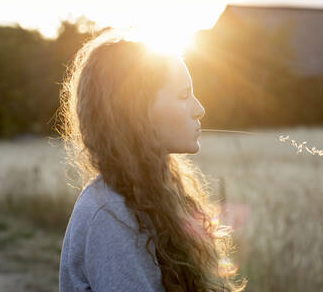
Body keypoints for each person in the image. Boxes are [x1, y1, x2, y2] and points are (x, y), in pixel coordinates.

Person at [57, 29, 247, 292]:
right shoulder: (111, 216)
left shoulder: (150, 193)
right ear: (136, 110)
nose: (199, 109)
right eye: (183, 95)